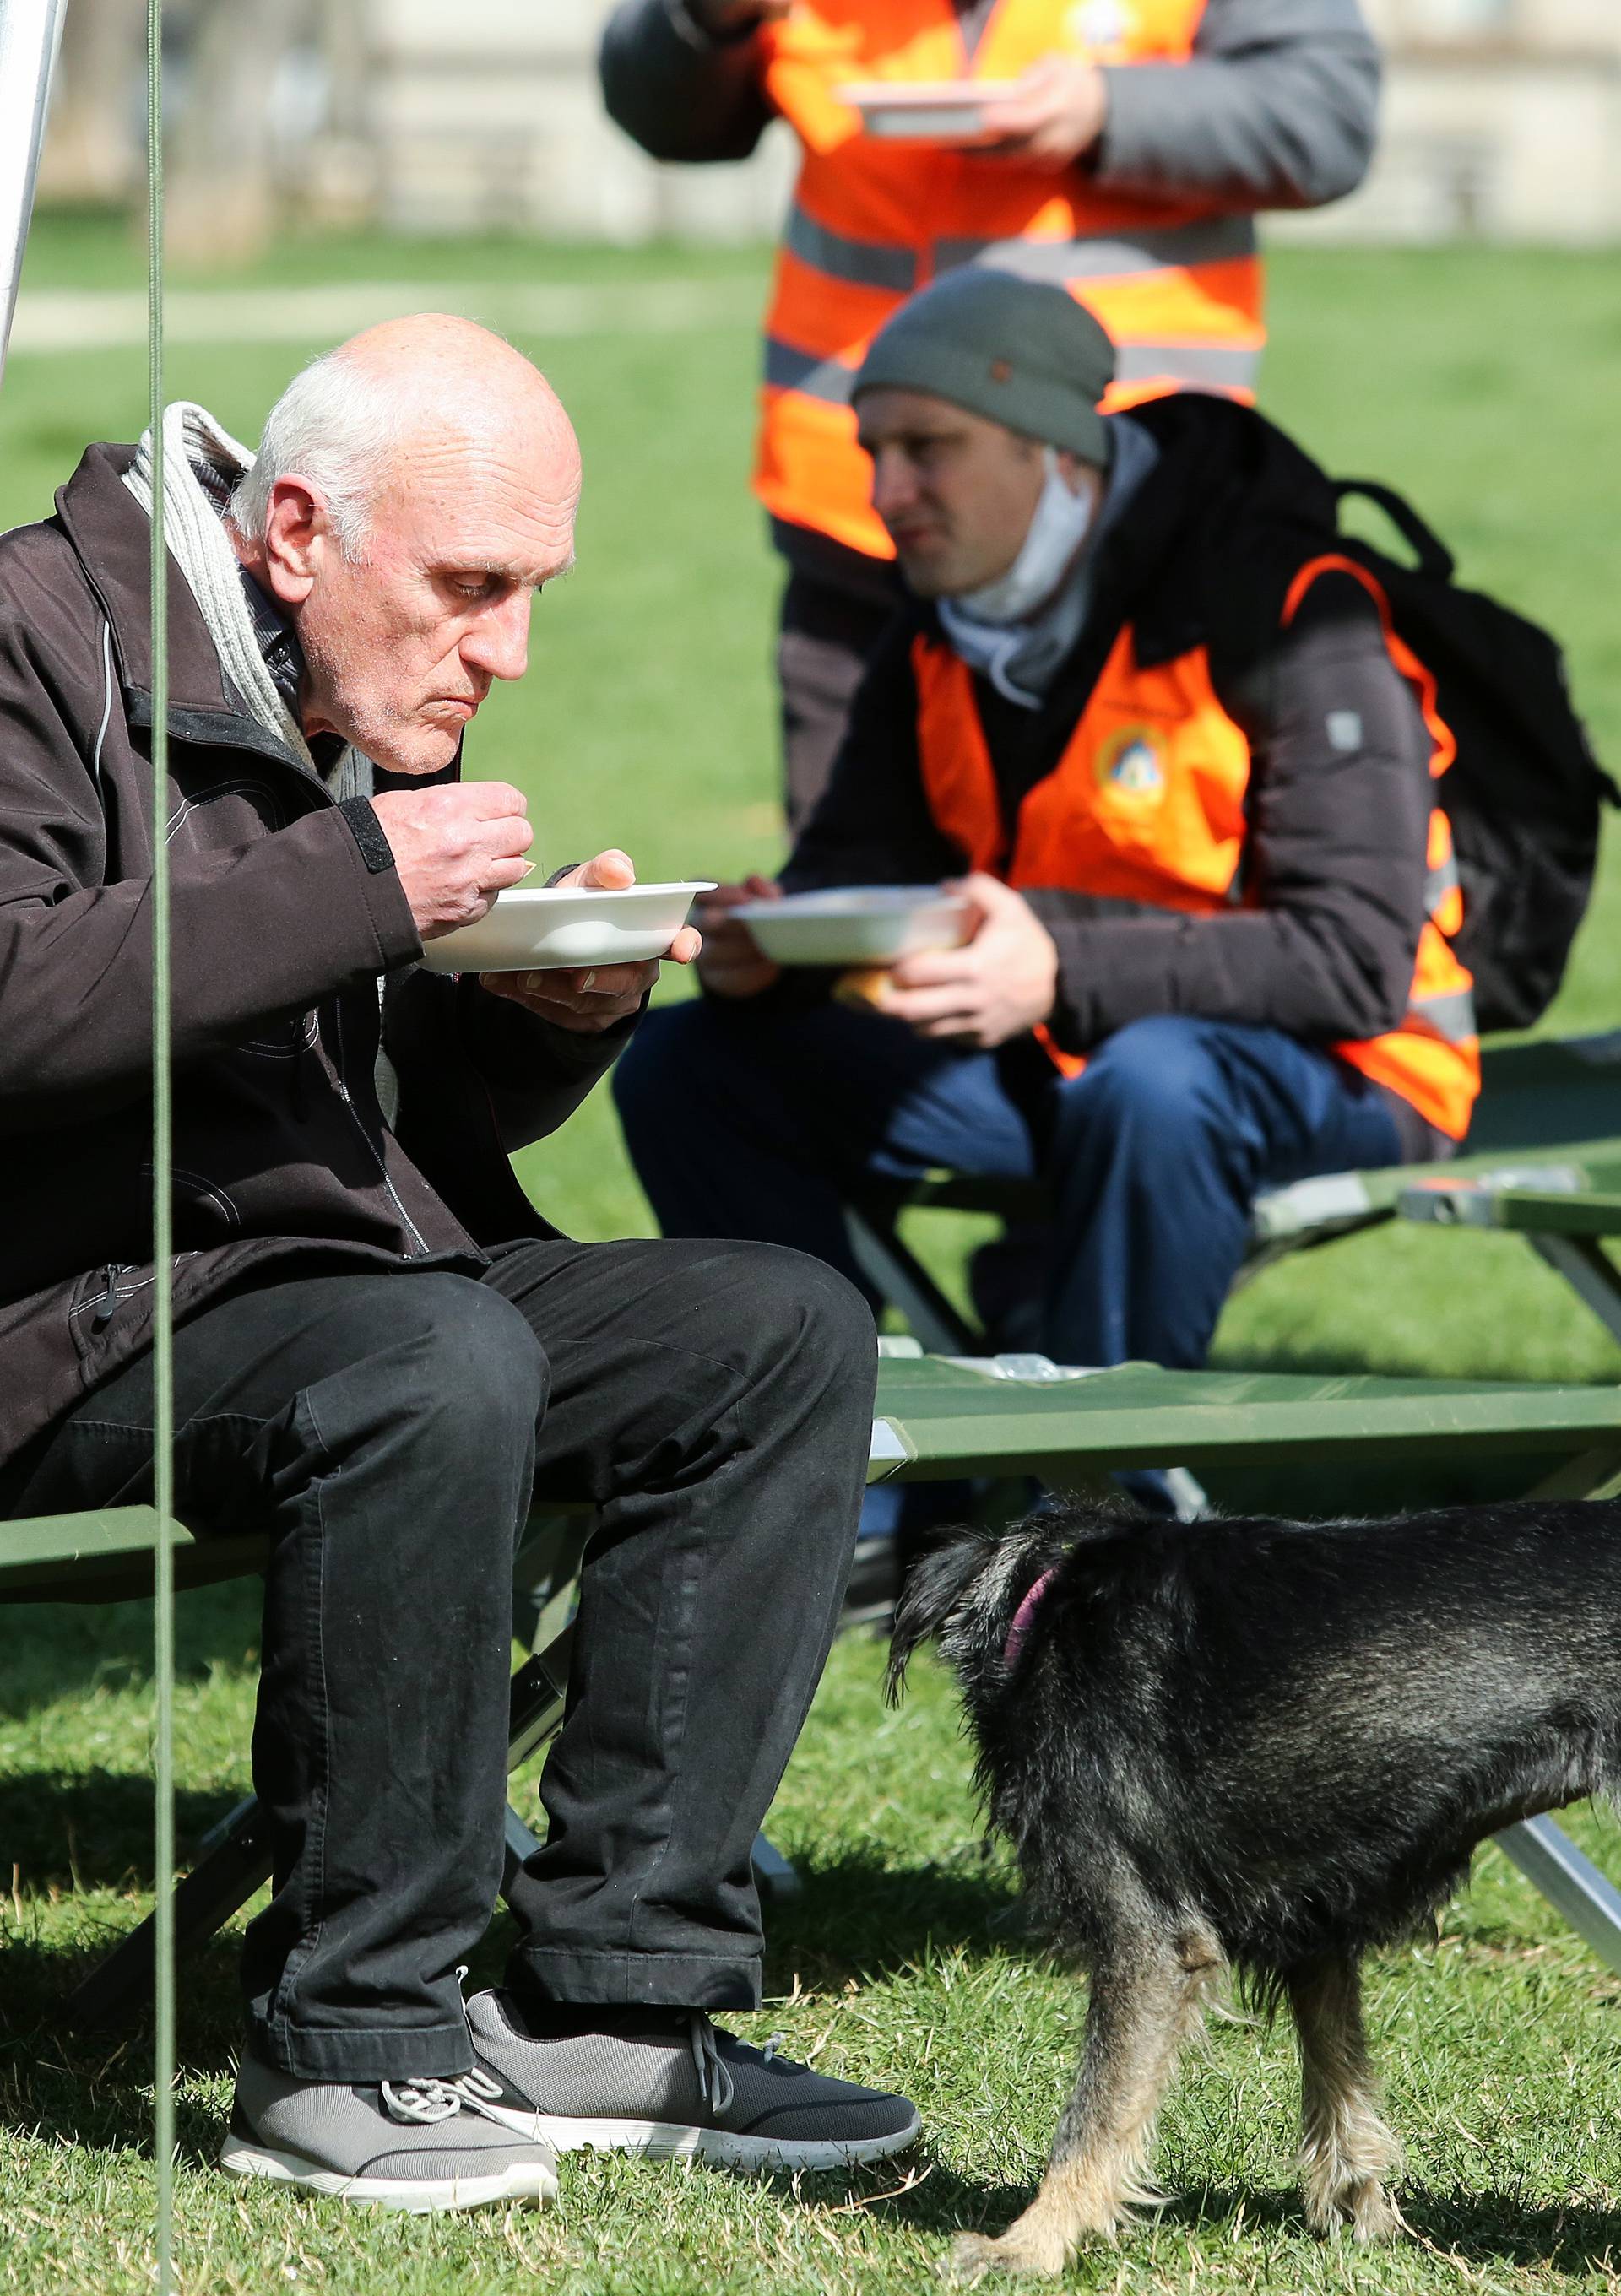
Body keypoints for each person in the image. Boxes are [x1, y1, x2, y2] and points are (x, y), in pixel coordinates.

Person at [0, 316, 918, 2210]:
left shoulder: (324, 654)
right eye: (472, 588)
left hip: (299, 1281)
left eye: (531, 594)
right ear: (302, 528)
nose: (505, 647)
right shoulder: (25, 637)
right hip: (61, 1310)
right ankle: (352, 2043)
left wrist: (544, 1008)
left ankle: (614, 2004)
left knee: (777, 1328)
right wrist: (357, 891)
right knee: (431, 1362)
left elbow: (345, 1086)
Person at [615, 270, 1478, 1394]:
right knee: (689, 1063)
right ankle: (840, 1474)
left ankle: (1075, 1529)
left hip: (1352, 1069)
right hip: (1068, 1051)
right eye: (874, 451)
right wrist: (774, 948)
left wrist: (1058, 965)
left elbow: (1355, 963)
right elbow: (855, 869)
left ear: (1059, 456)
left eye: (930, 447)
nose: (887, 489)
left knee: (1154, 1087)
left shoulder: (1294, 607)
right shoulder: (935, 620)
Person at [599, 0, 1382, 826]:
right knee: (847, 899)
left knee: (1118, 882)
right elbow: (657, 113)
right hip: (859, 522)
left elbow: (1330, 115)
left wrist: (1111, 109)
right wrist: (707, 20)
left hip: (1124, 515)